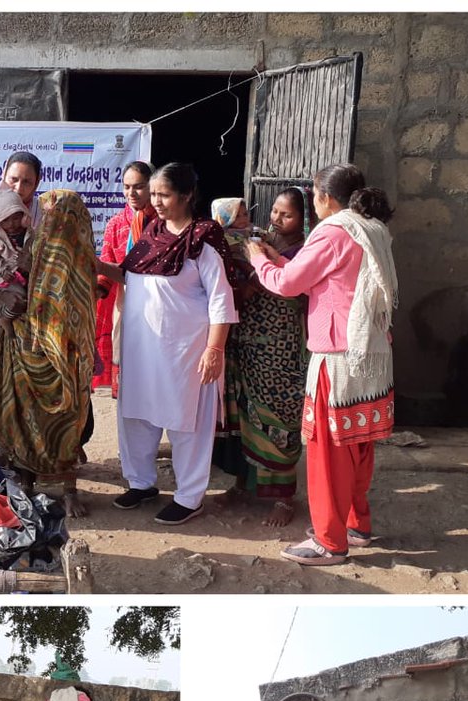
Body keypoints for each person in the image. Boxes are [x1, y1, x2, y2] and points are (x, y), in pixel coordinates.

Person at [247, 163, 397, 566]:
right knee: (358, 444)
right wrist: (281, 258)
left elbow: (286, 284)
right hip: (372, 353)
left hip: (339, 354)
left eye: (314, 196)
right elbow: (331, 279)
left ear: (325, 197)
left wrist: (258, 259)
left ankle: (330, 542)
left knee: (328, 450)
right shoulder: (372, 228)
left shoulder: (332, 231)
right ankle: (355, 524)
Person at [96, 161, 239, 525]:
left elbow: (222, 299)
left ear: (187, 195)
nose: (155, 201)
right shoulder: (150, 234)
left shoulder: (203, 240)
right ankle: (141, 483)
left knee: (186, 422)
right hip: (143, 348)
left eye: (164, 194)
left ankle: (190, 497)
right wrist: (88, 261)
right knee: (136, 416)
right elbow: (126, 275)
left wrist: (214, 349)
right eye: (153, 194)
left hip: (185, 352)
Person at [0, 190, 97, 515]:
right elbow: (15, 288)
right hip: (26, 346)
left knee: (65, 421)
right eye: (46, 214)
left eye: (54, 214)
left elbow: (79, 306)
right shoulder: (36, 246)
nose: (48, 220)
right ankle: (28, 480)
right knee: (28, 418)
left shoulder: (79, 255)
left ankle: (69, 488)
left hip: (64, 355)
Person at [214, 188, 310, 525]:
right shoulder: (255, 240)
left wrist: (260, 267)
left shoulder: (307, 252)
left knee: (280, 417)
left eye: (287, 215)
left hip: (280, 347)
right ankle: (243, 483)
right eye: (274, 212)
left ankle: (284, 497)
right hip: (246, 340)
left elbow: (293, 288)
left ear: (304, 219)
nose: (277, 220)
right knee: (244, 413)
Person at [0, 151, 45, 374]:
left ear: (37, 183)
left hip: (27, 303)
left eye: (27, 182)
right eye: (13, 179)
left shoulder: (42, 212)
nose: (18, 188)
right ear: (3, 172)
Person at [94, 162, 155, 397]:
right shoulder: (116, 224)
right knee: (127, 360)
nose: (132, 193)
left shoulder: (163, 223)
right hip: (125, 300)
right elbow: (106, 260)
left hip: (159, 299)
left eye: (139, 187)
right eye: (127, 187)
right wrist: (97, 291)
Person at [0, 191, 31, 327]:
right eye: (5, 220)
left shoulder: (30, 235)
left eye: (16, 218)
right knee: (19, 301)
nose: (11, 224)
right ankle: (2, 318)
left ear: (23, 215)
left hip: (26, 277)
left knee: (27, 303)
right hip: (8, 279)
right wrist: (2, 272)